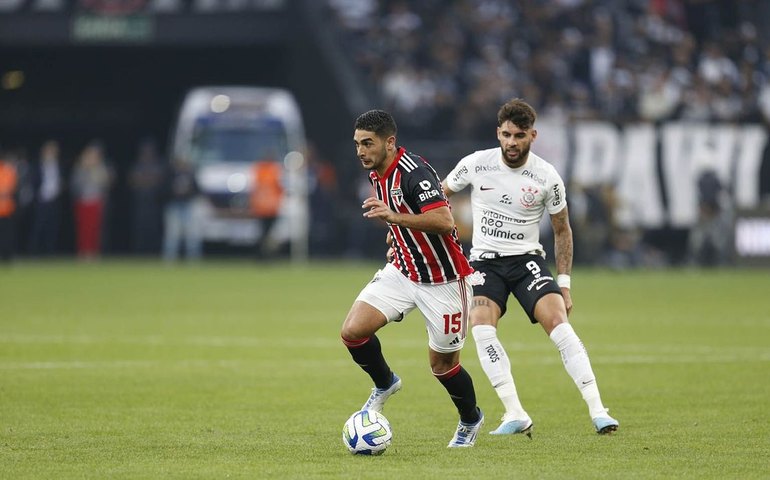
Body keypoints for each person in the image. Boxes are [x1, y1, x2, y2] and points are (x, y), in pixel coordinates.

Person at [441, 98, 619, 435]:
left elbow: (562, 229)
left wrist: (564, 283)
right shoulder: (476, 164)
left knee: (559, 323)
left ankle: (599, 410)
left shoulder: (546, 176)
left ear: (532, 136)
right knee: (479, 325)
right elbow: (438, 195)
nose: (511, 142)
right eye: (506, 134)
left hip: (527, 262)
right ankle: (514, 413)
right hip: (484, 262)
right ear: (498, 132)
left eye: (519, 135)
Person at [341, 109, 484, 448]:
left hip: (444, 280)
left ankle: (470, 419)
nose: (361, 151)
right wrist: (397, 233)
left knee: (443, 366)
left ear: (390, 143)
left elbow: (445, 220)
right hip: (404, 270)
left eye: (368, 144)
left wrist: (394, 217)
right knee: (353, 332)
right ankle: (385, 382)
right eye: (357, 144)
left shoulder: (413, 172)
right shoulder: (377, 170)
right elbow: (405, 218)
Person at [162, 156, 202, 262]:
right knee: (172, 235)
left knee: (192, 235)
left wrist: (187, 192)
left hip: (188, 206)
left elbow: (198, 191)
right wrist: (175, 192)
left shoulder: (191, 175)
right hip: (175, 205)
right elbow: (164, 191)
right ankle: (170, 259)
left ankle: (193, 259)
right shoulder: (171, 175)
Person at [0, 150, 18, 263]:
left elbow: (11, 188)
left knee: (7, 234)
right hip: (5, 207)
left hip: (7, 209)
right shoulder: (8, 171)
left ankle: (7, 256)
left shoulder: (8, 171)